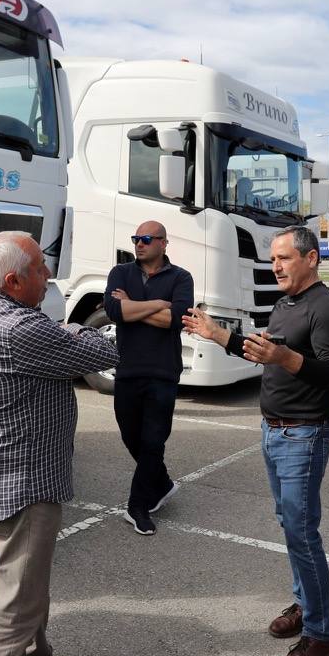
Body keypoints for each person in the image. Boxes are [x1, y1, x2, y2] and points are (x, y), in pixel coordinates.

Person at [0, 231, 119, 656]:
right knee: (18, 595)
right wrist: (73, 335)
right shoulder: (15, 329)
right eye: (39, 269)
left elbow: (64, 338)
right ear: (13, 280)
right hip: (20, 480)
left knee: (26, 584)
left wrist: (66, 333)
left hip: (6, 472)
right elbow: (99, 352)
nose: (49, 275)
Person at [183, 225, 329, 656]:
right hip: (274, 431)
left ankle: (320, 635)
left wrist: (286, 360)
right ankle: (305, 600)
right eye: (273, 259)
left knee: (301, 531)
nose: (275, 266)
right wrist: (217, 335)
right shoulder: (285, 304)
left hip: (304, 434)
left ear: (311, 258)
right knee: (289, 524)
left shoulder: (327, 307)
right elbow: (265, 353)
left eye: (284, 259)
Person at [102, 220, 194, 536]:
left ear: (163, 243)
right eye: (136, 238)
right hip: (127, 369)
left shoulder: (181, 277)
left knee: (154, 441)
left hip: (163, 372)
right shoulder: (120, 272)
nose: (139, 244)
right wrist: (157, 304)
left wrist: (133, 305)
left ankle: (137, 506)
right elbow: (114, 311)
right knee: (132, 438)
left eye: (146, 239)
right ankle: (163, 483)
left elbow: (176, 319)